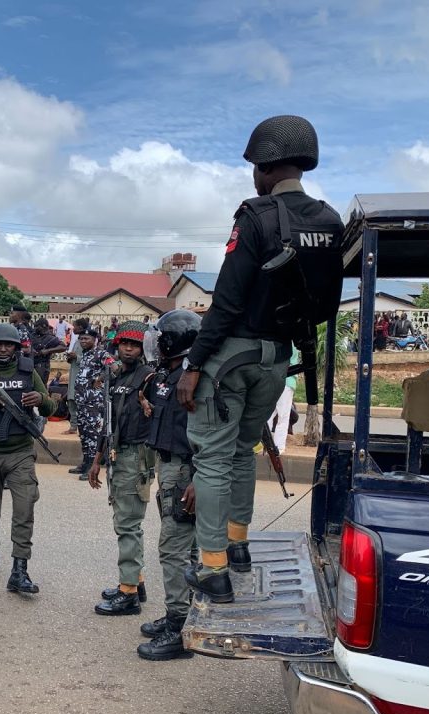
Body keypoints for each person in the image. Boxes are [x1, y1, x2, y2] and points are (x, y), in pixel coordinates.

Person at [176, 114, 344, 603]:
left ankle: (212, 569)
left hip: (231, 359)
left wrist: (192, 367)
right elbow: (327, 306)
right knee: (244, 449)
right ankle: (237, 543)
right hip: (277, 360)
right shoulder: (329, 221)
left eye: (255, 167)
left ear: (266, 168)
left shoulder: (255, 215)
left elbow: (227, 300)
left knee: (211, 459)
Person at [0, 322, 56, 595]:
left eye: (9, 345)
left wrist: (38, 397)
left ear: (17, 347)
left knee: (25, 507)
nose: (3, 348)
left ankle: (20, 568)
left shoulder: (28, 370)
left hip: (21, 452)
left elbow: (50, 405)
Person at [136, 310, 202, 660]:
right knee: (182, 549)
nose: (156, 342)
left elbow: (208, 437)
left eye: (161, 337)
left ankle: (179, 630)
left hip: (184, 472)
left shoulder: (195, 379)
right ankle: (184, 616)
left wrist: (197, 478)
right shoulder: (171, 375)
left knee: (173, 551)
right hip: (169, 467)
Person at [89, 321, 156, 616]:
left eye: (134, 344)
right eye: (124, 343)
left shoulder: (150, 378)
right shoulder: (118, 377)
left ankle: (128, 594)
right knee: (125, 521)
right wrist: (96, 460)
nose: (128, 348)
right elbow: (109, 421)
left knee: (128, 524)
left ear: (143, 348)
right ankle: (136, 582)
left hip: (136, 456)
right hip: (118, 454)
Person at [73, 327, 106, 479]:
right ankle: (85, 463)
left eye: (87, 339)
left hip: (94, 402)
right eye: (81, 339)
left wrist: (101, 378)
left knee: (93, 434)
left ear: (95, 340)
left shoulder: (101, 353)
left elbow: (116, 367)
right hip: (82, 401)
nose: (83, 341)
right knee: (84, 434)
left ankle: (92, 467)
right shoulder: (85, 355)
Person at [269, 345, 301, 454]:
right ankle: (279, 446)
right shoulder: (292, 344)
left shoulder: (278, 341)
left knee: (269, 412)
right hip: (287, 382)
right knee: (283, 415)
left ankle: (263, 443)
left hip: (273, 380)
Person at [63, 318, 89, 437]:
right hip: (73, 374)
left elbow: (90, 359)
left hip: (82, 376)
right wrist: (70, 357)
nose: (73, 329)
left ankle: (83, 427)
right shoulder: (76, 341)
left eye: (75, 327)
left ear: (81, 327)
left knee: (81, 402)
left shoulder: (87, 341)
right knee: (71, 400)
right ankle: (73, 426)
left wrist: (77, 357)